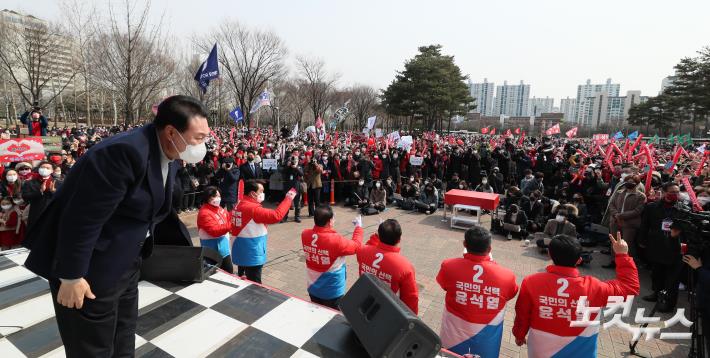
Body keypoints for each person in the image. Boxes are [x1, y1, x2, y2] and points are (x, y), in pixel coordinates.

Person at [22, 95, 210, 357]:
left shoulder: (170, 152)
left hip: (125, 262)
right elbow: (83, 218)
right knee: (93, 349)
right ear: (171, 132)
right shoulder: (123, 153)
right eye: (199, 138)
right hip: (90, 271)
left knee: (122, 341)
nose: (203, 145)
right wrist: (71, 276)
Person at [513, 233, 640, 357]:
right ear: (579, 260)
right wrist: (622, 255)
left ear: (549, 254)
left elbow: (522, 314)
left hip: (540, 349)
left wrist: (519, 335)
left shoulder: (531, 282)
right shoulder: (594, 287)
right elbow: (629, 288)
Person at [437, 226, 518, 357]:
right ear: (489, 249)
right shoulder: (507, 276)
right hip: (487, 341)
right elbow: (510, 293)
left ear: (464, 244)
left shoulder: (448, 266)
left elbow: (443, 284)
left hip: (452, 336)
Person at [230, 180, 296, 283]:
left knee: (243, 280)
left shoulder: (238, 204)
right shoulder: (253, 209)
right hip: (251, 253)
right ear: (252, 193)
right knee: (254, 285)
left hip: (240, 250)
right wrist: (289, 198)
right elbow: (276, 216)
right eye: (261, 191)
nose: (262, 194)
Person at [301, 206, 363, 309]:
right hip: (332, 291)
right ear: (330, 221)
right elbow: (356, 246)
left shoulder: (305, 234)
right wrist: (358, 228)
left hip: (313, 287)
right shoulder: (335, 240)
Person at [637, 182, 686, 312]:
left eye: (677, 192)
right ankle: (656, 294)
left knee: (672, 278)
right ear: (664, 192)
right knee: (657, 273)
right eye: (671, 192)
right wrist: (642, 240)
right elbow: (644, 225)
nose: (675, 195)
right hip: (656, 244)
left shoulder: (683, 208)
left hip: (674, 247)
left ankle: (669, 303)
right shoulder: (651, 207)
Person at [357, 219, 419, 314]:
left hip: (364, 302)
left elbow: (369, 247)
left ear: (379, 236)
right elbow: (410, 298)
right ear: (399, 239)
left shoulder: (362, 251)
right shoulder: (404, 266)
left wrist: (377, 236)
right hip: (388, 310)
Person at [603, 174, 645, 268]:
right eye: (627, 182)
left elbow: (637, 211)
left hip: (629, 224)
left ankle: (625, 264)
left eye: (631, 182)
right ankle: (614, 261)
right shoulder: (619, 192)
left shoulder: (641, 196)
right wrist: (615, 214)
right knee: (614, 242)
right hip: (615, 221)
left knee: (627, 244)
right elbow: (611, 204)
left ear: (637, 184)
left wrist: (621, 215)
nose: (629, 184)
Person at [196, 187, 234, 272]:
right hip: (211, 251)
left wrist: (235, 212)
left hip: (224, 248)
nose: (218, 198)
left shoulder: (219, 208)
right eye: (215, 196)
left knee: (229, 272)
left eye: (219, 196)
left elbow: (228, 218)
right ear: (207, 197)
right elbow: (214, 231)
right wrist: (231, 226)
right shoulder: (204, 213)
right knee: (214, 275)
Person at [22, 161, 59, 230]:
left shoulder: (57, 182)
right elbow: (25, 196)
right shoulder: (30, 182)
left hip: (51, 212)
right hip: (36, 212)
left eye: (47, 168)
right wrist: (39, 192)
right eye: (42, 167)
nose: (44, 169)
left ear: (52, 171)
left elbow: (63, 198)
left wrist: (54, 192)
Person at [282, 154, 303, 223]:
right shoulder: (288, 167)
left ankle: (297, 217)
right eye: (293, 160)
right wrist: (288, 166)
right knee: (287, 203)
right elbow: (283, 172)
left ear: (298, 160)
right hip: (289, 187)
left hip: (296, 187)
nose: (294, 161)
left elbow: (301, 174)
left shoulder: (299, 167)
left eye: (296, 160)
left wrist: (296, 167)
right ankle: (285, 217)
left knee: (297, 204)